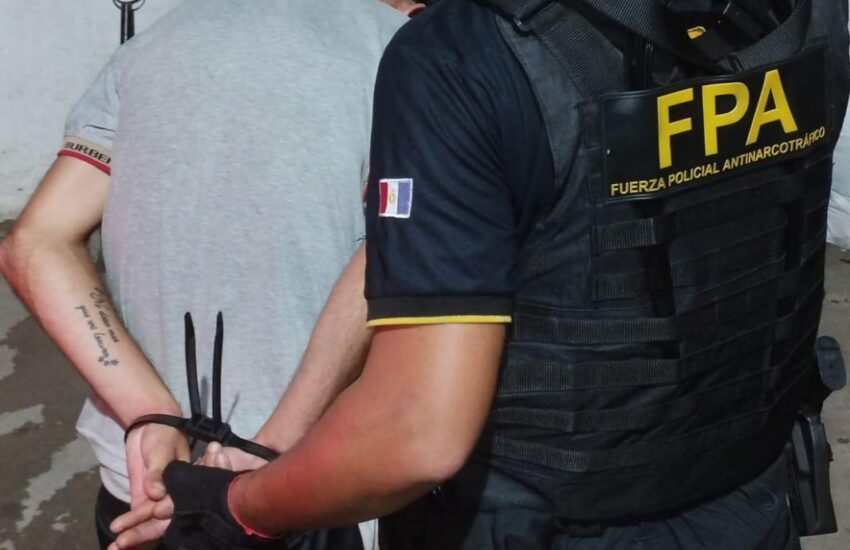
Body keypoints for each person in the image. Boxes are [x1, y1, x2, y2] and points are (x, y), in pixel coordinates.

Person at [110, 0, 850, 549]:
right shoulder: (802, 14)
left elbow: (416, 431)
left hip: (538, 525)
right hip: (750, 507)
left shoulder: (465, 54)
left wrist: (239, 507)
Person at [0, 0, 423, 548]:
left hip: (144, 482)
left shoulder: (155, 42)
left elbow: (35, 242)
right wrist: (271, 444)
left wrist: (149, 411)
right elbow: (394, 249)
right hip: (300, 485)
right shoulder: (405, 51)